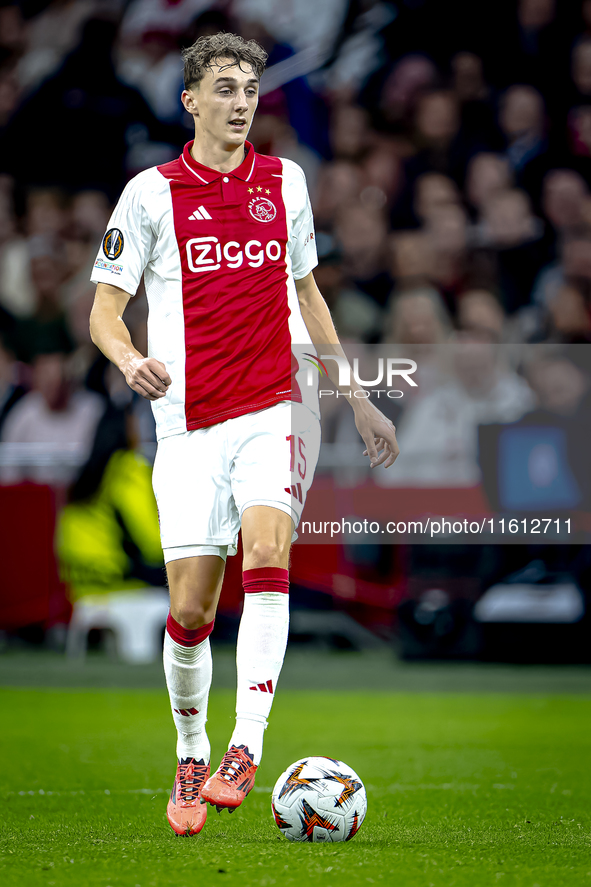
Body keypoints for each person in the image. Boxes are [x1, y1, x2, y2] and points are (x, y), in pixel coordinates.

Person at [88, 32, 399, 837]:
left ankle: (244, 746)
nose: (240, 102)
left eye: (250, 89)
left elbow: (309, 293)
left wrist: (357, 396)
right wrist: (128, 359)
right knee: (191, 611)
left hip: (273, 406)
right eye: (223, 88)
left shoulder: (284, 181)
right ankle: (190, 750)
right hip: (187, 427)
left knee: (267, 552)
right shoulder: (149, 194)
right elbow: (103, 312)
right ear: (190, 99)